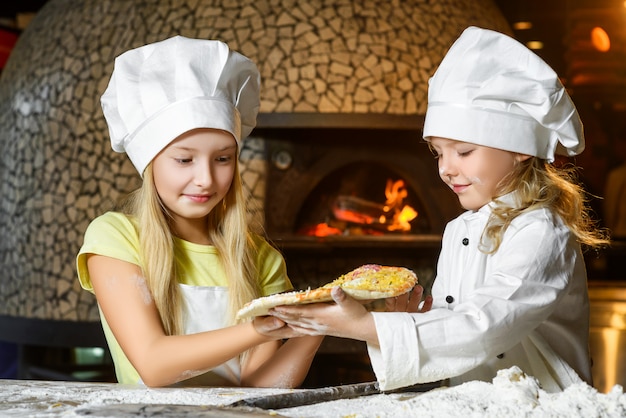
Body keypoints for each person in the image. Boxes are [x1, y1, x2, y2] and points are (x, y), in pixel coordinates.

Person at [265, 26, 609, 393]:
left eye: (463, 152)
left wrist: (363, 326)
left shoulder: (542, 230)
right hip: (481, 403)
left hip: (548, 405)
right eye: (438, 153)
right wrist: (412, 320)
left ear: (521, 148)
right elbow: (454, 334)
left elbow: (488, 324)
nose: (446, 168)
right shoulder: (458, 230)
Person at [76, 36, 322, 388]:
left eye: (223, 158)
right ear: (151, 162)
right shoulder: (116, 237)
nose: (205, 179)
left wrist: (315, 329)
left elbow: (261, 388)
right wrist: (256, 329)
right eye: (184, 159)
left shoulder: (260, 259)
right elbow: (154, 364)